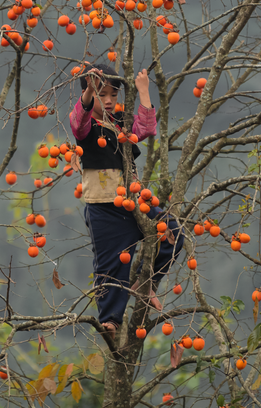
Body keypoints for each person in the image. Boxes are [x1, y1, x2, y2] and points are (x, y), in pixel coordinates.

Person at [70, 64, 182, 333]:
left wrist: (144, 90)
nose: (108, 100)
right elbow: (78, 121)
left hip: (134, 202)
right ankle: (110, 320)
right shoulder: (86, 129)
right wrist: (87, 91)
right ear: (89, 93)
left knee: (173, 231)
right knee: (110, 266)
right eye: (101, 94)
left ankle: (147, 283)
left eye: (113, 94)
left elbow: (146, 127)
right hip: (103, 208)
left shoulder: (120, 123)